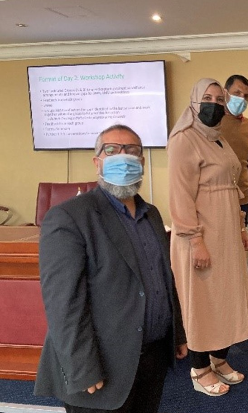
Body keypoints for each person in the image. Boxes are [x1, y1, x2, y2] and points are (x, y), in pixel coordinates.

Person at [34, 124, 188, 413]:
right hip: (100, 366)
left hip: (151, 357)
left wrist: (177, 333)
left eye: (132, 151)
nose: (123, 156)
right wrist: (82, 366)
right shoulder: (68, 217)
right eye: (112, 150)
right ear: (97, 162)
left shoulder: (151, 214)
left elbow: (164, 279)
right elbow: (63, 303)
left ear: (142, 162)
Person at [167, 78, 248, 397]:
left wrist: (240, 228)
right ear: (193, 102)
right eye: (207, 97)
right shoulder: (183, 140)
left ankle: (219, 359)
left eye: (220, 99)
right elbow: (180, 197)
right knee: (202, 302)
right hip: (199, 238)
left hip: (226, 234)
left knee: (225, 297)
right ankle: (199, 368)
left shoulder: (218, 139)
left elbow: (232, 186)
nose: (214, 104)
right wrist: (195, 241)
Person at [220, 74, 248, 231]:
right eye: (237, 93)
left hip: (242, 203)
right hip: (215, 202)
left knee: (238, 253)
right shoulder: (211, 124)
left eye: (246, 96)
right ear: (225, 93)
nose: (242, 99)